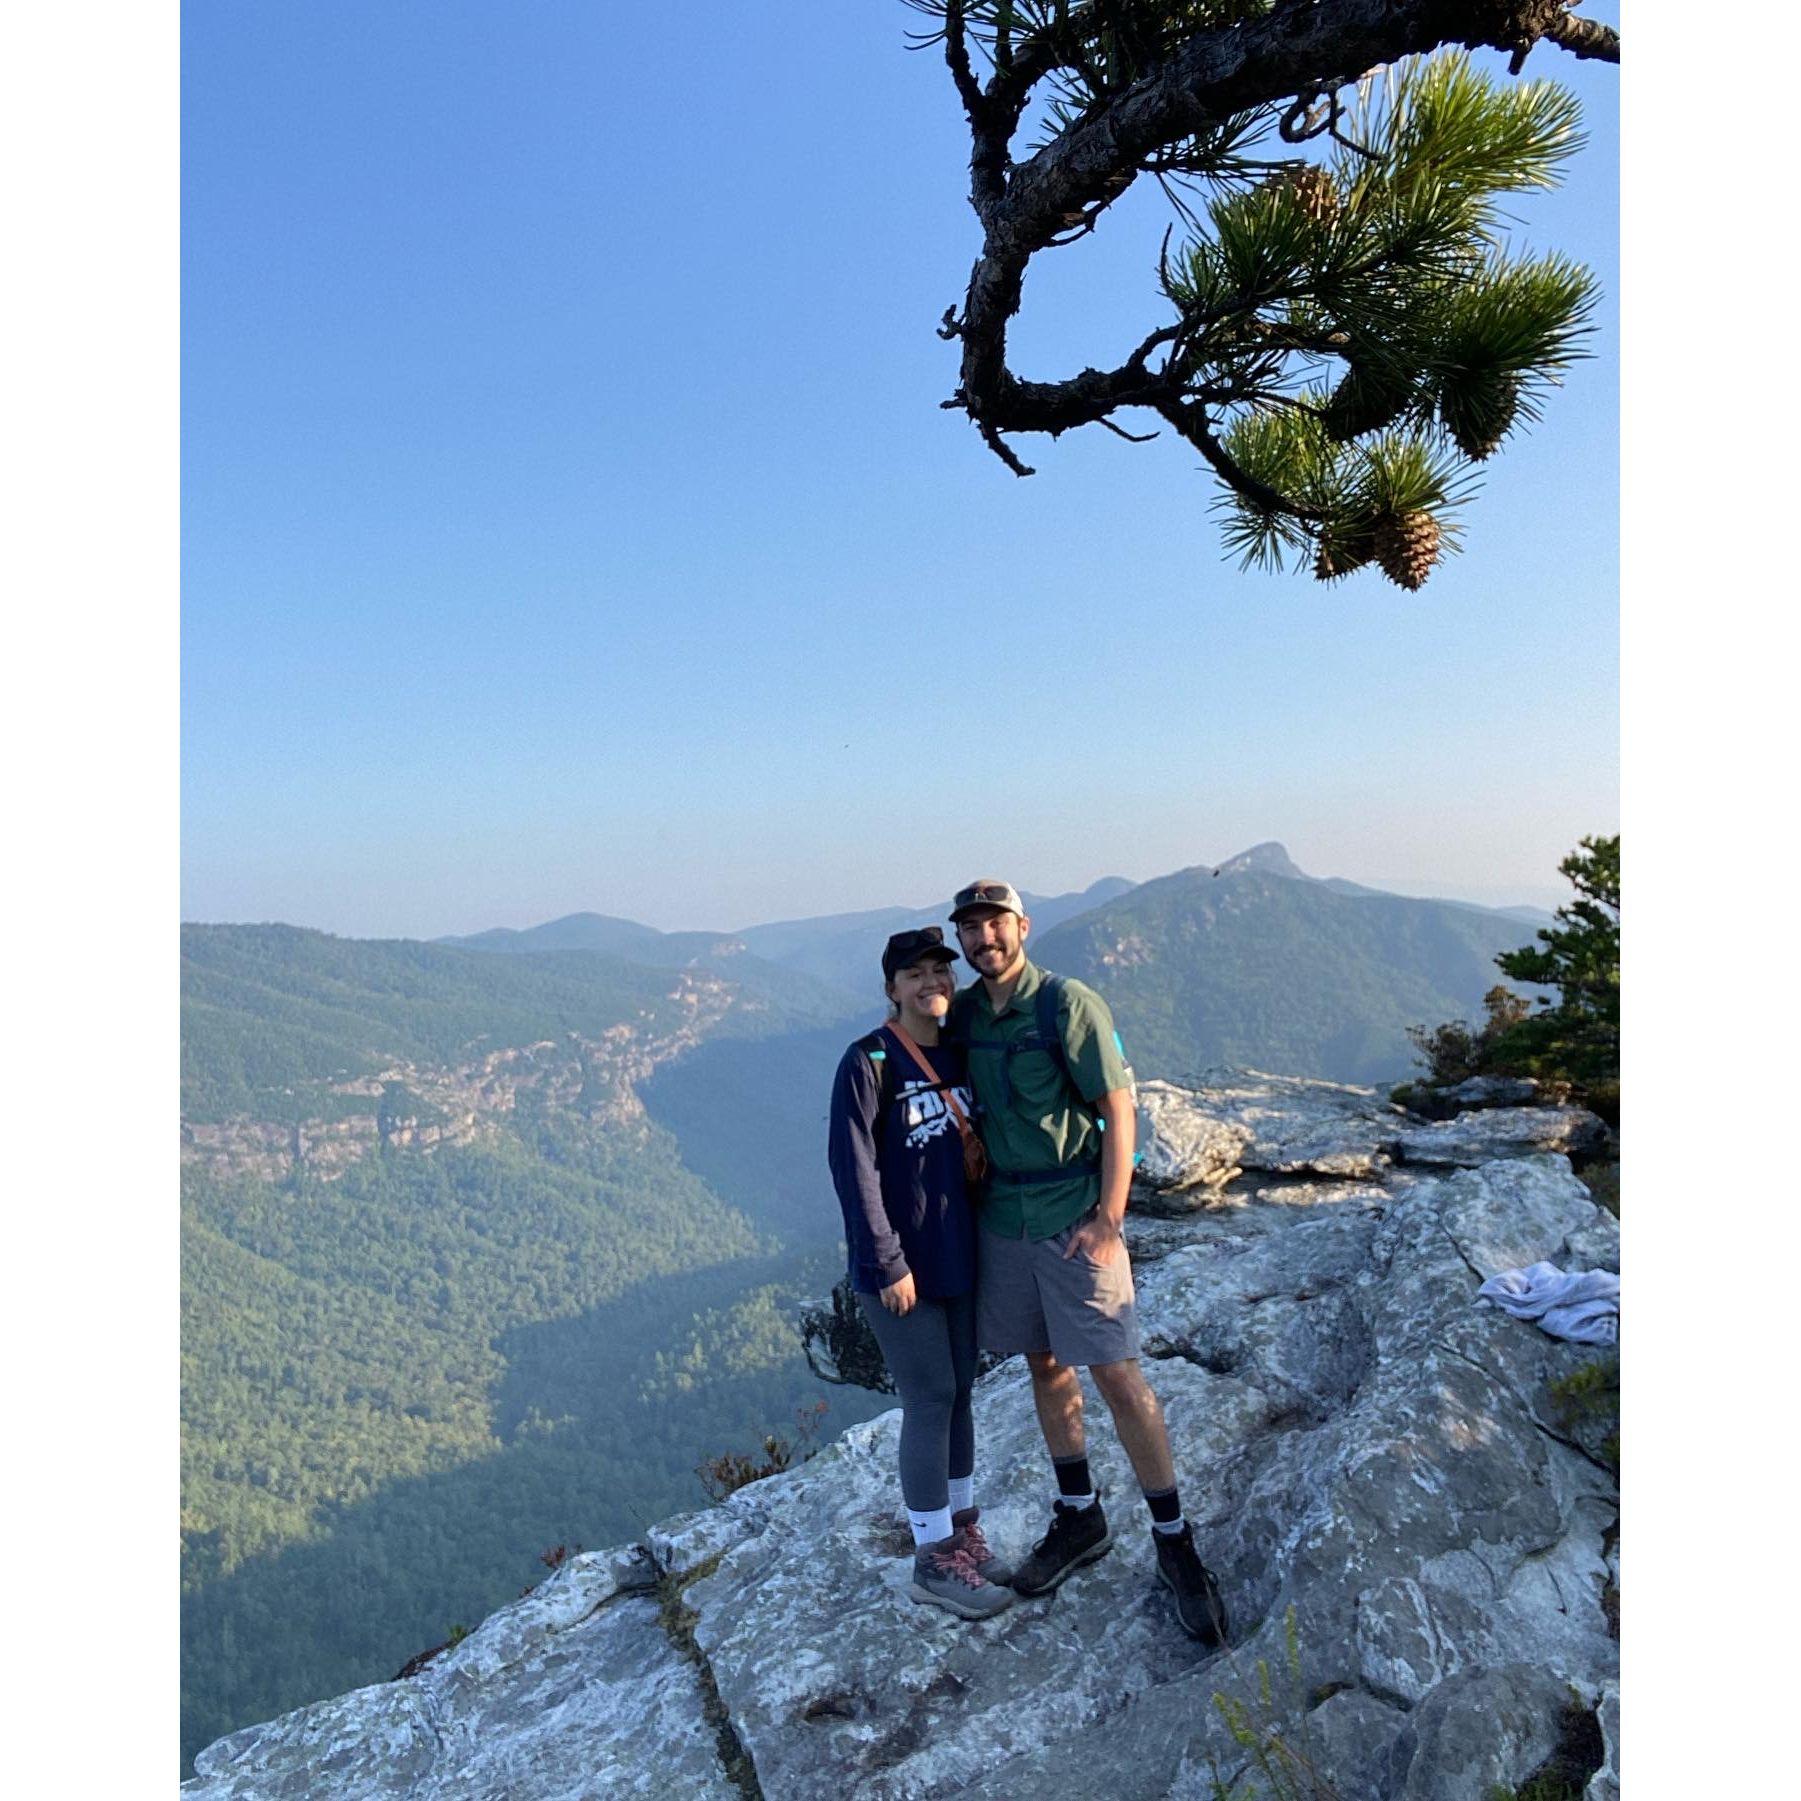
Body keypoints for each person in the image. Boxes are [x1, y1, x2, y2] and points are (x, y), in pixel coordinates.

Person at [946, 879, 1229, 1645]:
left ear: (1021, 926)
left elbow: (1119, 1108)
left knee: (1115, 1370)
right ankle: (1080, 1515)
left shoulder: (1066, 1004)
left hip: (1073, 1215)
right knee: (1042, 1362)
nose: (983, 940)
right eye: (969, 930)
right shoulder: (967, 1012)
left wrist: (1109, 1218)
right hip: (1003, 1217)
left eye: (994, 924)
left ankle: (1175, 1541)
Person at [826, 927, 1014, 1620]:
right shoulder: (868, 1061)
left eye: (941, 969)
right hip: (900, 1265)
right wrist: (885, 1260)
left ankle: (962, 1533)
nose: (932, 981)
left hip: (960, 1252)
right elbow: (854, 1171)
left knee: (962, 1390)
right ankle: (932, 1557)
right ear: (891, 988)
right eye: (915, 974)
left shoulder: (960, 1050)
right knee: (930, 1395)